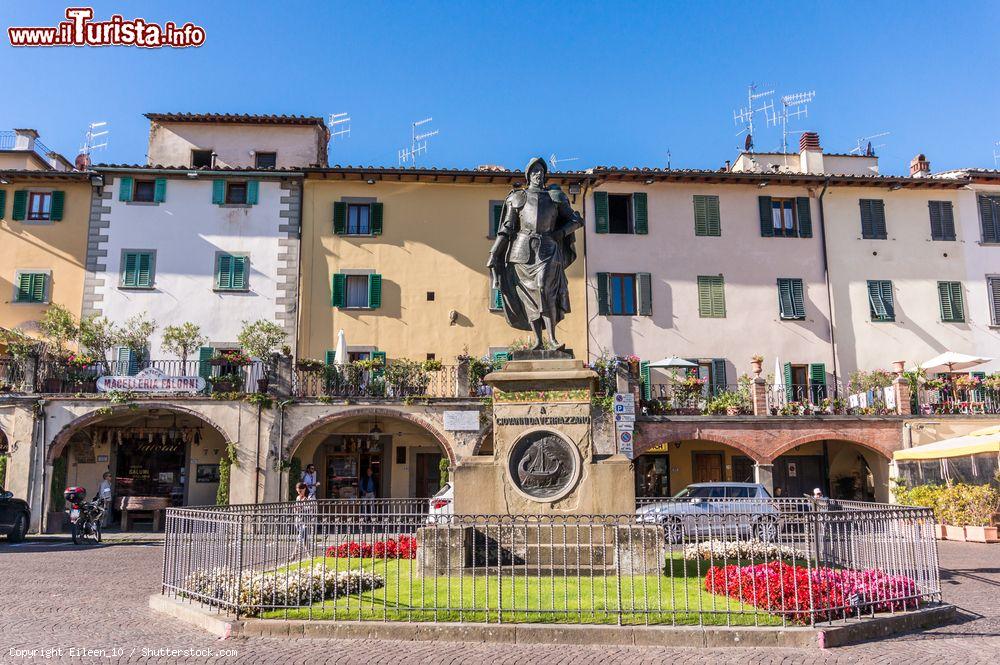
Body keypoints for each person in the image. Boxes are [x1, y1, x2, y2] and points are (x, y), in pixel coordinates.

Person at [487, 157, 584, 351]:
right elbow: (506, 229)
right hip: (521, 251)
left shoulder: (555, 197)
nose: (538, 174)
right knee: (527, 297)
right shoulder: (517, 197)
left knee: (543, 288)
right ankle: (539, 341)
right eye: (534, 171)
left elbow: (576, 220)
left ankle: (553, 339)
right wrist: (494, 253)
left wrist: (560, 233)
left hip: (548, 248)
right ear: (528, 175)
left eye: (541, 171)